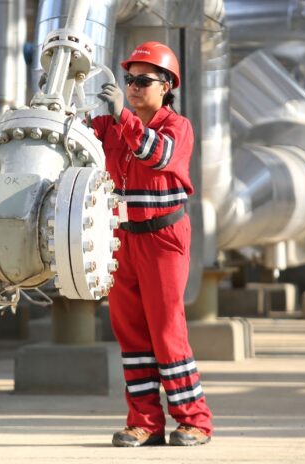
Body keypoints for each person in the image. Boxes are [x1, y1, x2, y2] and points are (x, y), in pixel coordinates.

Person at [92, 41, 213, 447]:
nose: (133, 87)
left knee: (166, 331)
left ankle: (194, 420)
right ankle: (144, 422)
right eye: (129, 80)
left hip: (163, 238)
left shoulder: (176, 128)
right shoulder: (109, 125)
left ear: (166, 86)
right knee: (131, 335)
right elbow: (78, 145)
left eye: (143, 80)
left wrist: (121, 116)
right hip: (122, 239)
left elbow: (156, 155)